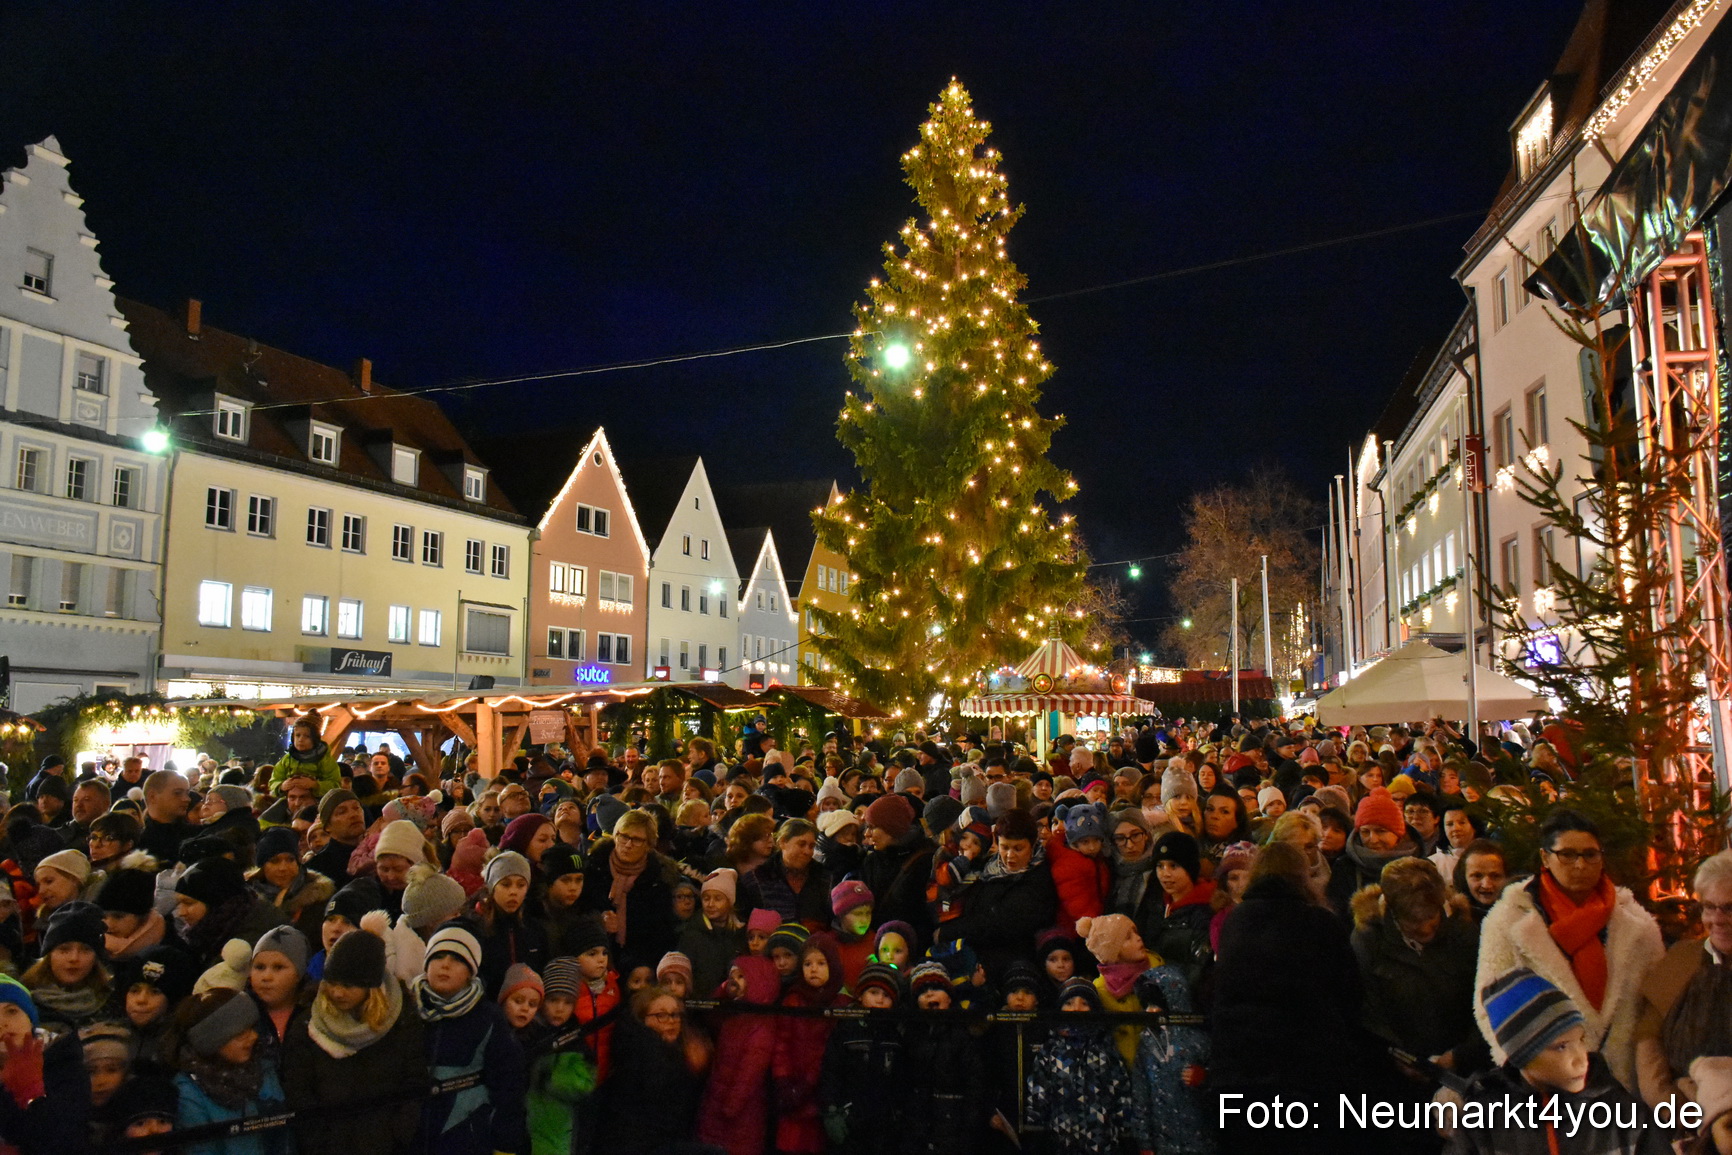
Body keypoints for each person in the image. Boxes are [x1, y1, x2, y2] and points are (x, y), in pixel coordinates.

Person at [1475, 809, 1664, 1092]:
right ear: (1545, 858)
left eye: (1590, 855)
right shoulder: (1509, 923)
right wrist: (1534, 1070)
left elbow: (1656, 1006)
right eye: (1567, 854)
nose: (1579, 865)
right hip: (1549, 1085)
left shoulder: (1636, 924)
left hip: (1625, 1084)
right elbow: (1491, 1007)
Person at [1454, 969, 1666, 1154]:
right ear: (1522, 1055)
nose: (1581, 1058)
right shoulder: (1483, 1122)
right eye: (1561, 1046)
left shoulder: (1625, 1113)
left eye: (1581, 1040)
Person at [280, 915, 425, 1155]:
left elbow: (413, 1081)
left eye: (348, 985)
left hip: (384, 1144)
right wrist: (317, 1141)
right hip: (327, 1145)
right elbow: (298, 1089)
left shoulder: (400, 1020)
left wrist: (397, 1134)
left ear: (370, 986)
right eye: (332, 983)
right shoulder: (308, 1023)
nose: (337, 993)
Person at [1349, 858, 1486, 1084]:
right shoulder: (1369, 939)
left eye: (1431, 919)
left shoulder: (1465, 932)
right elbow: (1368, 1010)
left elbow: (1485, 1000)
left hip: (1464, 1071)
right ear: (1392, 911)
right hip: (1397, 1075)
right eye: (1413, 923)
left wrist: (1460, 1056)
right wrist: (1399, 1057)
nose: (1425, 930)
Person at [411, 922, 529, 1155]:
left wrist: (505, 1143)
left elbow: (508, 1085)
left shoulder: (487, 1018)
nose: (445, 964)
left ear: (470, 971)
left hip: (466, 1138)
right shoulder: (408, 1011)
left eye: (457, 959)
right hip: (413, 1137)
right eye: (438, 956)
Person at [1633, 850, 1732, 1109]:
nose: (1717, 919)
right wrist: (1676, 1110)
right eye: (1709, 907)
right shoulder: (1682, 958)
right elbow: (1648, 1041)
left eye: (1730, 908)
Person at [1023, 976, 1147, 1155]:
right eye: (1069, 1003)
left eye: (1084, 1003)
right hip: (1061, 1138)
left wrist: (1124, 1122)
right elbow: (1039, 1089)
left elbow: (1120, 1087)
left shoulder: (1104, 1048)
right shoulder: (1051, 1050)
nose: (1076, 1009)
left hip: (1101, 1139)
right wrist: (1035, 1121)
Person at [934, 809, 1057, 985]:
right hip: (972, 959)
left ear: (1033, 844)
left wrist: (948, 932)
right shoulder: (988, 867)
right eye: (1004, 847)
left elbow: (999, 924)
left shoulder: (1037, 881)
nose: (1009, 855)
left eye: (1018, 848)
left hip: (1009, 970)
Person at [169, 988, 289, 1155]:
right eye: (240, 1034)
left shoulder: (263, 1069)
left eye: (252, 1027)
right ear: (212, 1041)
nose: (253, 1036)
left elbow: (285, 1135)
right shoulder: (190, 1093)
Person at [595, 986, 713, 1155]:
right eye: (661, 1015)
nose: (671, 1020)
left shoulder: (678, 1052)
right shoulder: (640, 1053)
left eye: (675, 1014)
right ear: (642, 1019)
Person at [0, 972, 90, 1155]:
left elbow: (62, 1142)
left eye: (12, 1011)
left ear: (30, 1018)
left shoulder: (63, 1061)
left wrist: (31, 1093)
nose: (2, 1023)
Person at [581, 810, 682, 970]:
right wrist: (599, 922)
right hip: (597, 963)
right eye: (624, 836)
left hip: (641, 964)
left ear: (648, 844)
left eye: (636, 840)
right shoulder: (594, 868)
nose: (628, 844)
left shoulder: (659, 879)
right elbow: (579, 911)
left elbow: (662, 933)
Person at [1325, 787, 1419, 916]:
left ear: (1398, 833)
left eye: (1381, 831)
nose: (1373, 839)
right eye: (1365, 832)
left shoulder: (1419, 866)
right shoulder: (1346, 867)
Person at [859, 795, 936, 945]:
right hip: (878, 946)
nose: (866, 834)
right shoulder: (871, 861)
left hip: (913, 948)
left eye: (872, 827)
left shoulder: (925, 860)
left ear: (891, 827)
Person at [740, 819, 831, 930]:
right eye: (801, 844)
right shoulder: (758, 878)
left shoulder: (824, 877)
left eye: (811, 846)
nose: (807, 851)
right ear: (783, 842)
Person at [270, 717, 344, 796]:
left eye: (307, 736)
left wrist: (314, 785)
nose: (301, 739)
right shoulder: (287, 759)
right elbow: (273, 781)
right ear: (292, 737)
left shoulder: (325, 760)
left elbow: (335, 785)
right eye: (298, 735)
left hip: (317, 801)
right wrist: (281, 786)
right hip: (290, 799)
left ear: (315, 739)